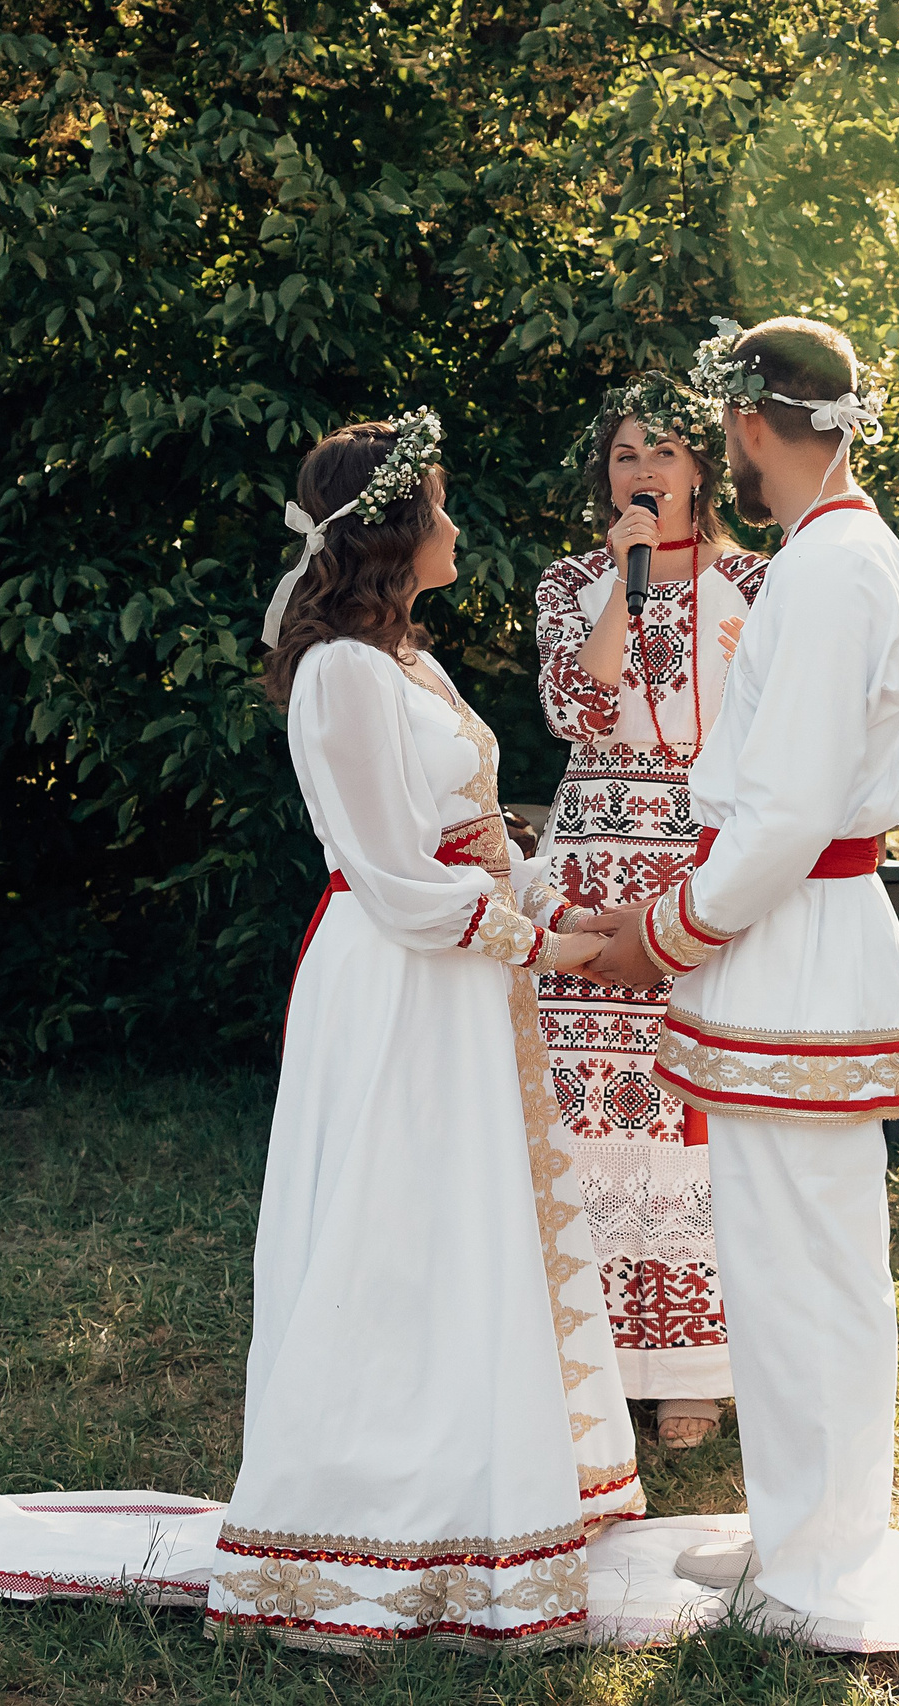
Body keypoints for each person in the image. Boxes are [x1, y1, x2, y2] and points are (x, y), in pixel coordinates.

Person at [206, 412, 645, 1654]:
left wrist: (555, 900)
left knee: (463, 1224)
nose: (456, 524)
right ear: (396, 527)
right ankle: (366, 1517)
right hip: (400, 978)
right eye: (439, 506)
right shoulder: (341, 672)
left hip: (461, 973)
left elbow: (474, 836)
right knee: (394, 1222)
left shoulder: (410, 663)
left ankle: (475, 1480)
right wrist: (538, 946)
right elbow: (391, 871)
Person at [578, 317, 899, 1627]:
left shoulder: (833, 569)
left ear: (742, 424)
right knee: (778, 1259)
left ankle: (817, 1564)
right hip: (785, 935)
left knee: (808, 1266)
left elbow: (785, 813)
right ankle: (796, 1527)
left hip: (799, 935)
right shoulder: (823, 554)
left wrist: (665, 930)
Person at [532, 374, 769, 1451]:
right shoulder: (571, 580)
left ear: (702, 469)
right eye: (626, 455)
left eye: (664, 451)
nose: (644, 471)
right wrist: (619, 596)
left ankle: (692, 1369)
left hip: (700, 857)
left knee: (686, 1102)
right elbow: (573, 709)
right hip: (592, 855)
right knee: (585, 1104)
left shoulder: (758, 582)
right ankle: (580, 1360)